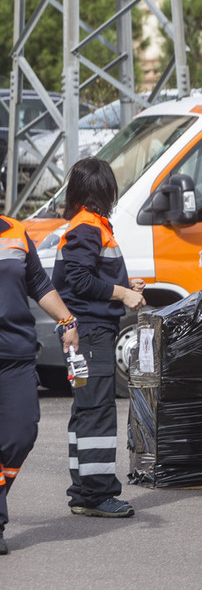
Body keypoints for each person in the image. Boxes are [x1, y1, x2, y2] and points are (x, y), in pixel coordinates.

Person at [52, 157, 145, 518]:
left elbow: (84, 277)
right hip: (91, 332)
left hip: (85, 332)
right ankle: (96, 493)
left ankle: (84, 490)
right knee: (97, 412)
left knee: (86, 410)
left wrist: (123, 284)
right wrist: (122, 294)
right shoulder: (88, 228)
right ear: (104, 189)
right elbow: (79, 281)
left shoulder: (87, 226)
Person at [0, 214, 79, 554]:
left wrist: (67, 320)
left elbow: (40, 284)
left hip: (15, 352)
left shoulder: (16, 232)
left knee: (22, 433)